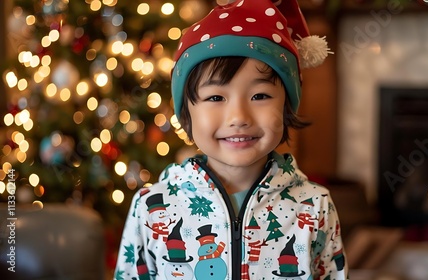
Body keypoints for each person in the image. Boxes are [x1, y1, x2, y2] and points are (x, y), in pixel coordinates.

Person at [114, 0, 348, 279]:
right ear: (186, 112)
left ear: (286, 106)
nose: (238, 117)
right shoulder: (152, 207)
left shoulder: (315, 205)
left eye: (259, 96)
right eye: (215, 97)